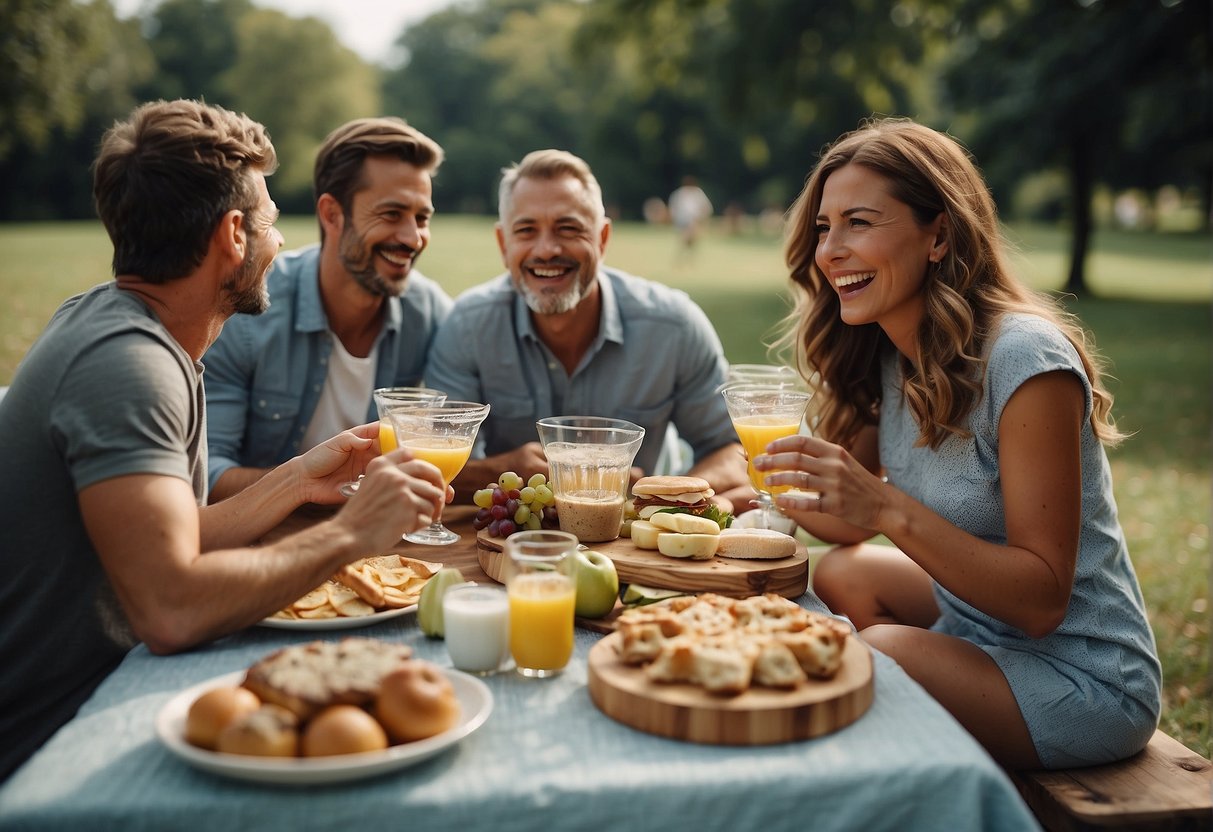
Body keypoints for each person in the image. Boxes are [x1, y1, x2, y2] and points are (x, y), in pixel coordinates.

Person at [0, 100, 448, 782]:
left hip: (99, 688)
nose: (278, 243)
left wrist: (297, 479)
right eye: (269, 222)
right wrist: (352, 532)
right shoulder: (130, 366)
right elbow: (172, 608)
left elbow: (171, 542)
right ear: (234, 234)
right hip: (49, 737)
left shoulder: (120, 326)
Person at [756, 118, 1161, 769]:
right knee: (838, 574)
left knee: (880, 650)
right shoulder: (890, 351)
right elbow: (841, 521)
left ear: (938, 234)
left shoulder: (1025, 360)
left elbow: (1040, 601)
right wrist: (748, 484)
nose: (829, 250)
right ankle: (906, 733)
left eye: (859, 222)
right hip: (969, 624)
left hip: (1083, 675)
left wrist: (887, 507)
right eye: (824, 227)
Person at [423, 149, 747, 503]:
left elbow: (731, 450)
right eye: (526, 230)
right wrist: (504, 471)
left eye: (568, 228)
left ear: (602, 238)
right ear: (504, 244)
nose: (546, 249)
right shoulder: (467, 327)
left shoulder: (674, 326)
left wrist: (661, 500)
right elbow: (434, 467)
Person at [203, 117, 452, 502]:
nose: (412, 237)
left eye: (422, 218)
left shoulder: (429, 313)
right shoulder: (247, 314)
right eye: (391, 214)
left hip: (381, 546)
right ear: (332, 214)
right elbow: (208, 474)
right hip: (265, 543)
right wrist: (310, 486)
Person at [668, 175, 713, 254]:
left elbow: (706, 207)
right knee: (688, 237)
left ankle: (686, 253)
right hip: (682, 221)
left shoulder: (697, 193)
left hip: (695, 220)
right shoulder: (679, 194)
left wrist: (703, 219)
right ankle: (686, 252)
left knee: (690, 239)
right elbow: (673, 209)